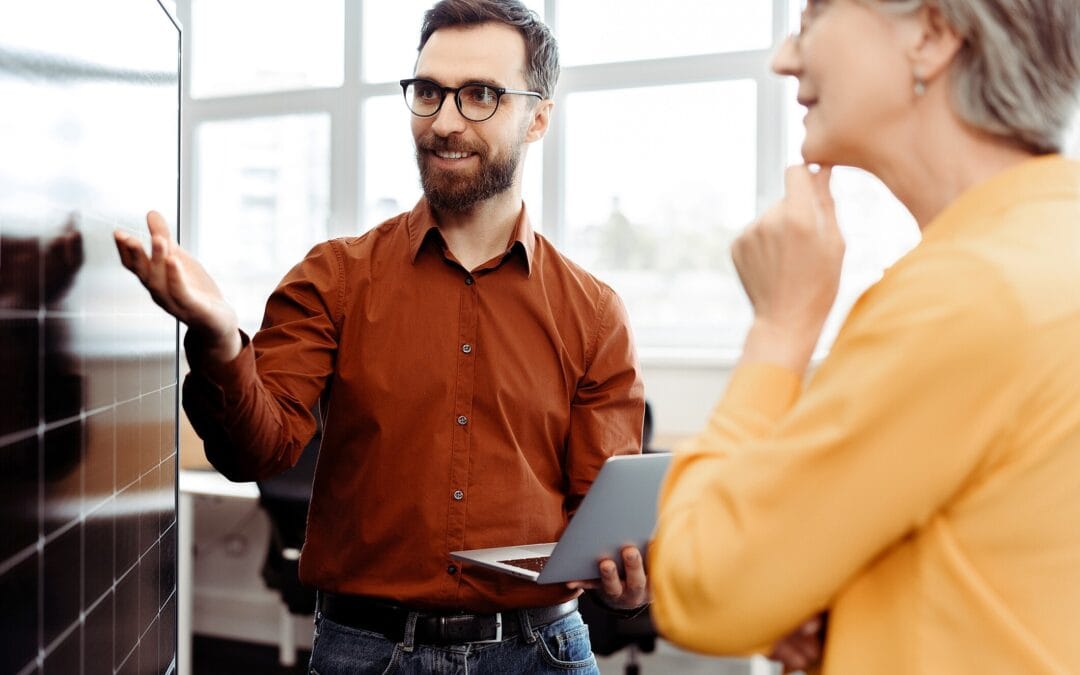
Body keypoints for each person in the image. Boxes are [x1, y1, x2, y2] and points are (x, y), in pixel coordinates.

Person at [114, 1, 648, 673]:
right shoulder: (334, 279)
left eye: (481, 95)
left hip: (539, 650)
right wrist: (220, 337)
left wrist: (626, 575)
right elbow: (257, 448)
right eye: (428, 92)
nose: (445, 121)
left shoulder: (594, 313)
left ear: (538, 116)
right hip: (368, 652)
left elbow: (601, 519)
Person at [648, 0, 1080, 673]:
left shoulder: (961, 296)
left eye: (815, 17)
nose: (783, 58)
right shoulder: (1051, 248)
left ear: (932, 35)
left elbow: (700, 584)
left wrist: (779, 328)